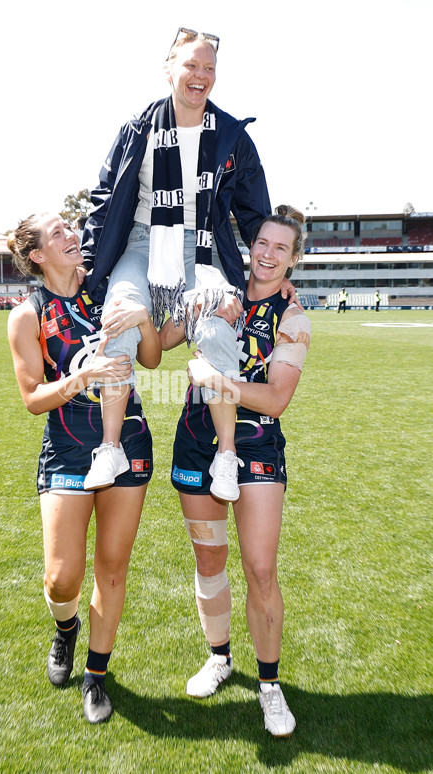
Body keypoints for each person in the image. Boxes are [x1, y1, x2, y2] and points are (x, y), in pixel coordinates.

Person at [79, 27, 271, 502]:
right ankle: (110, 447)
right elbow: (105, 197)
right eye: (192, 65)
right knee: (119, 317)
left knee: (216, 327)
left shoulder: (231, 136)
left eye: (209, 68)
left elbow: (254, 211)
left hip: (201, 249)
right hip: (141, 243)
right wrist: (88, 260)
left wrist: (273, 271)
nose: (200, 76)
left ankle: (226, 454)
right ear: (169, 69)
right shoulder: (137, 128)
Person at [160, 205, 311, 738]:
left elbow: (274, 400)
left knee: (261, 569)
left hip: (256, 446)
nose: (268, 255)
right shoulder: (214, 289)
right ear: (251, 245)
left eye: (280, 248)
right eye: (262, 243)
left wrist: (216, 379)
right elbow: (157, 351)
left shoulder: (292, 319)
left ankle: (270, 685)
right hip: (198, 443)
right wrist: (143, 312)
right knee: (209, 562)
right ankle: (220, 657)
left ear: (294, 258)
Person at [7, 213, 160, 724]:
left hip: (128, 440)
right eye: (58, 233)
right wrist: (86, 374)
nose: (72, 235)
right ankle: (66, 629)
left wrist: (142, 319)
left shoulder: (111, 283)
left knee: (113, 568)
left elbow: (155, 354)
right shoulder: (28, 315)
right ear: (37, 255)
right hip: (69, 450)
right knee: (61, 579)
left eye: (72, 227)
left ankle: (96, 675)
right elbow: (32, 399)